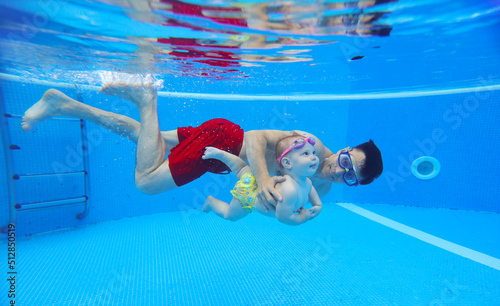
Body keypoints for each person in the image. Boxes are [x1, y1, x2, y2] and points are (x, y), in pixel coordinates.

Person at [22, 74, 383, 212]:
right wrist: (258, 180)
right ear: (345, 149)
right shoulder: (310, 144)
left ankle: (63, 104)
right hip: (224, 141)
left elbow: (286, 209)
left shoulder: (324, 190)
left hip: (219, 141)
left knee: (145, 136)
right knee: (146, 182)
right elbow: (256, 139)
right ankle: (147, 99)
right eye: (347, 162)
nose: (339, 171)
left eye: (351, 177)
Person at [201, 135, 322, 225]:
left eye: (313, 152)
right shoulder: (289, 190)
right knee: (229, 215)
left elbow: (312, 194)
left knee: (242, 169)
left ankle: (221, 154)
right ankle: (211, 201)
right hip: (248, 195)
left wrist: (318, 205)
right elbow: (283, 217)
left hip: (257, 182)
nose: (314, 157)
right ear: (287, 163)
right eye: (306, 154)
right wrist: (302, 218)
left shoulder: (307, 182)